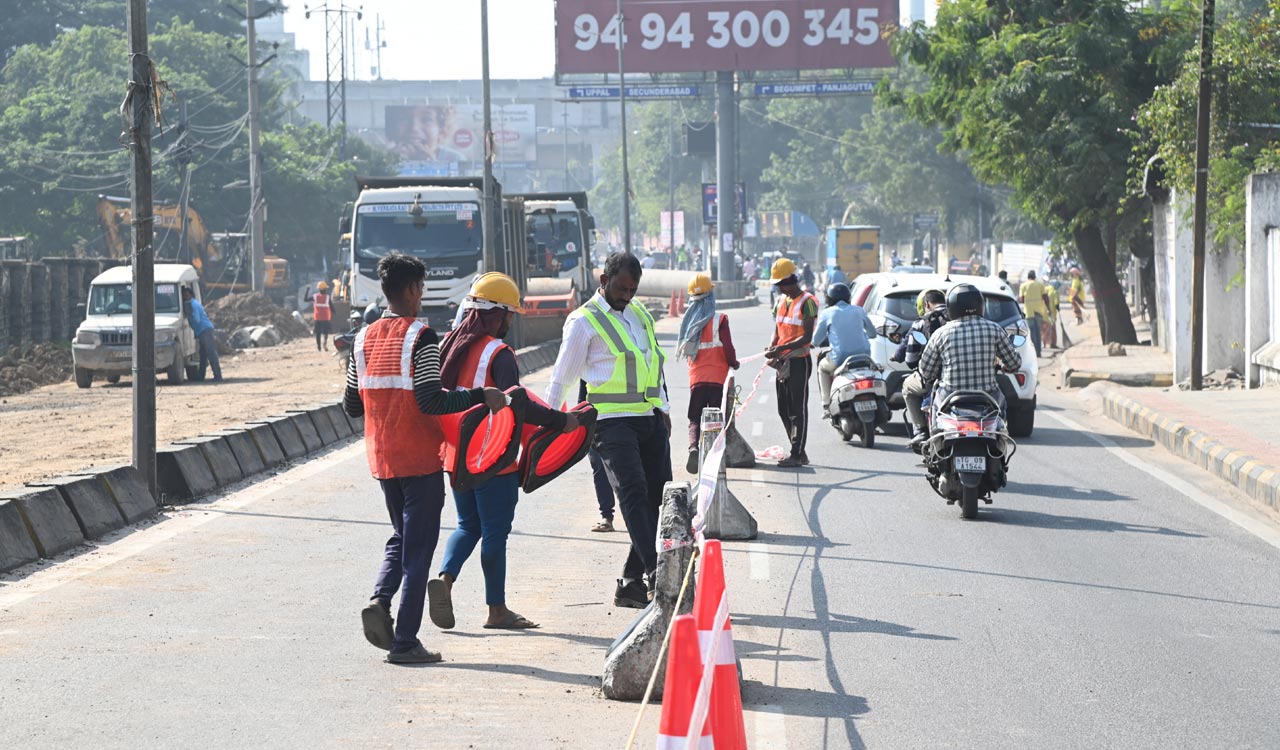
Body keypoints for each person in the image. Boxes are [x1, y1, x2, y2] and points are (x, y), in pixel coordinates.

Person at [343, 253, 507, 665]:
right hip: (420, 460)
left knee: (401, 536)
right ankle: (404, 642)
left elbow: (351, 404)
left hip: (383, 460)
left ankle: (380, 599)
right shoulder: (422, 337)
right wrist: (479, 397)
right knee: (418, 551)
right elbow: (433, 400)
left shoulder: (362, 340)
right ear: (414, 289)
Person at [432, 273, 579, 631]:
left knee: (469, 525)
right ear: (495, 315)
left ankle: (446, 578)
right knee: (496, 531)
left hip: (456, 456)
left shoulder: (451, 345)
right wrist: (562, 422)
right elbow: (519, 406)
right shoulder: (499, 354)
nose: (511, 322)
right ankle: (496, 610)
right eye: (509, 315)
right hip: (493, 458)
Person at [546, 252, 672, 609]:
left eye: (632, 289)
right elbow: (562, 377)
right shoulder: (583, 321)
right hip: (609, 422)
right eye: (620, 288)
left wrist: (663, 408)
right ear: (603, 280)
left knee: (657, 500)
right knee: (632, 493)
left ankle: (630, 584)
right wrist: (542, 427)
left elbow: (654, 365)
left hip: (648, 419)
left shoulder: (641, 315)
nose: (626, 295)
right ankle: (655, 574)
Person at [917, 283, 1022, 425]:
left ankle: (934, 441)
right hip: (988, 396)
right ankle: (999, 440)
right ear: (980, 305)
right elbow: (1014, 363)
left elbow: (926, 371)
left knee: (935, 417)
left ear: (951, 307)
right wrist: (1005, 366)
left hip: (949, 396)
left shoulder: (941, 334)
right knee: (1001, 415)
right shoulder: (994, 329)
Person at [676, 273, 740, 474]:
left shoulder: (687, 322)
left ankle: (694, 447)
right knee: (715, 421)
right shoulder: (719, 320)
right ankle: (714, 459)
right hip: (718, 379)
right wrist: (734, 363)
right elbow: (728, 348)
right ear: (710, 294)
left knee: (695, 418)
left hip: (697, 379)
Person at [766, 258, 819, 468]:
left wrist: (781, 349)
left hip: (798, 361)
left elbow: (807, 337)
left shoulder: (808, 302)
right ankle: (799, 451)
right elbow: (778, 328)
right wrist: (772, 347)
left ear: (790, 281)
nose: (779, 289)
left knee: (798, 409)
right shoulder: (781, 301)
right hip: (782, 361)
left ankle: (796, 453)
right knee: (783, 408)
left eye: (781, 285)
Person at [892, 289, 949, 451]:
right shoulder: (957, 320)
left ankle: (921, 430)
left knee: (907, 387)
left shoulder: (921, 322)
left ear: (926, 304)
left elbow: (910, 360)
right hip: (958, 377)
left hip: (931, 378)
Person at [813, 282, 877, 410]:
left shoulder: (827, 313)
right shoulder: (859, 310)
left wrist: (815, 343)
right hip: (864, 356)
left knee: (822, 368)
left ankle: (826, 404)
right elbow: (872, 333)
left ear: (829, 299)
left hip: (839, 359)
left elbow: (816, 340)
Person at [182, 287, 222, 382]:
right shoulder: (193, 303)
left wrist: (188, 315)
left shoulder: (193, 305)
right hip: (202, 331)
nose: (185, 297)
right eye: (184, 296)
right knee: (203, 355)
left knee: (211, 353)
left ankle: (218, 376)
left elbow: (196, 319)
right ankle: (201, 376)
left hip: (204, 330)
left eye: (187, 295)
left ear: (191, 295)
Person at [1018, 270, 1051, 357]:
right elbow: (1046, 298)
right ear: (1035, 277)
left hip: (1028, 312)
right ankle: (1038, 351)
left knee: (1031, 333)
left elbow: (1021, 299)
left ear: (1028, 277)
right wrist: (1049, 309)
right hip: (1039, 311)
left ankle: (1033, 352)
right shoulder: (1040, 285)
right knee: (1038, 332)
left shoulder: (1023, 285)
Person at [308, 281, 333, 352]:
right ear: (325, 289)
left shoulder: (315, 297)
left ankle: (319, 347)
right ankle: (324, 342)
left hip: (317, 318)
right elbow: (332, 307)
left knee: (318, 333)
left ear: (319, 289)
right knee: (325, 332)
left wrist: (307, 290)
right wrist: (335, 314)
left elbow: (305, 299)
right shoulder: (328, 297)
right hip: (326, 318)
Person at [1044, 282, 1061, 349]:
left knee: (1044, 329)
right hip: (1052, 314)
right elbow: (1056, 303)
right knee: (1052, 329)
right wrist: (1058, 308)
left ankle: (1044, 344)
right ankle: (1052, 344)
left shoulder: (1044, 290)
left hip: (1043, 313)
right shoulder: (1054, 292)